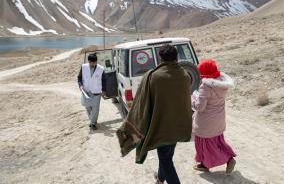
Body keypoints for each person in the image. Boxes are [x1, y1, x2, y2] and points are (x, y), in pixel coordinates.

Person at [116, 45, 192, 184]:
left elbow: (141, 104)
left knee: (166, 160)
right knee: (167, 155)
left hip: (161, 127)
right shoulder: (185, 75)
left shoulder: (153, 76)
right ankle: (160, 179)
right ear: (176, 58)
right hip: (178, 125)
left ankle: (164, 179)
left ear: (160, 59)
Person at [191, 59, 236, 174]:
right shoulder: (221, 82)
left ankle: (228, 159)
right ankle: (204, 164)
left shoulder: (205, 87)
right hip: (218, 120)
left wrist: (191, 99)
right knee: (217, 142)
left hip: (206, 123)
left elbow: (200, 107)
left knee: (207, 146)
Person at [78, 53, 106, 131]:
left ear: (96, 61)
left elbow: (104, 80)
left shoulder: (101, 69)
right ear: (89, 61)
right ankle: (92, 120)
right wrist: (80, 85)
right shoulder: (83, 67)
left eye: (95, 62)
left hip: (97, 91)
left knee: (95, 108)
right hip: (86, 91)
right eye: (91, 62)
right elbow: (79, 78)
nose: (93, 64)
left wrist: (104, 90)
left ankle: (93, 123)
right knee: (87, 106)